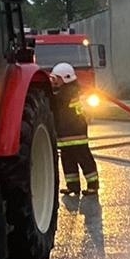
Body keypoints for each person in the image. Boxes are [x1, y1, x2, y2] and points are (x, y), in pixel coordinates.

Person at [49, 62, 99, 196]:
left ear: (65, 78)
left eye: (56, 78)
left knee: (84, 158)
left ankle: (93, 185)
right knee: (67, 161)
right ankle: (73, 186)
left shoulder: (68, 92)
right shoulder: (64, 91)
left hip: (75, 132)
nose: (54, 81)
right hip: (65, 133)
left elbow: (57, 100)